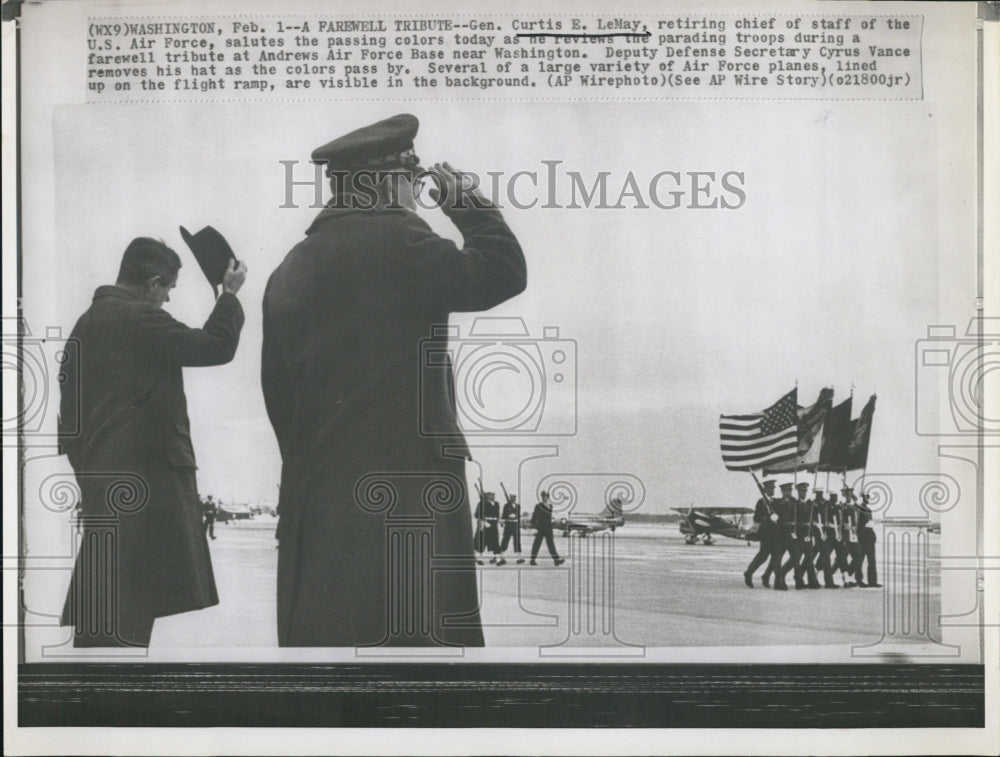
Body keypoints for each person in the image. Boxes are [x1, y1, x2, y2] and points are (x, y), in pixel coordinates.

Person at [261, 114, 525, 646]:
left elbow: (278, 398)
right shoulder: (400, 240)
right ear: (389, 180)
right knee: (417, 670)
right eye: (415, 178)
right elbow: (503, 270)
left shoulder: (289, 268)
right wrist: (468, 203)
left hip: (321, 503)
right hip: (409, 500)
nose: (417, 193)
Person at [59, 237, 247, 646]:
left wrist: (93, 476)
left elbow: (69, 426)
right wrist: (228, 296)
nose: (166, 301)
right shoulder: (139, 317)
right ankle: (109, 705)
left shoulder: (85, 324)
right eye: (168, 291)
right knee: (127, 618)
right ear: (153, 282)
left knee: (105, 612)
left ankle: (93, 702)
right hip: (144, 495)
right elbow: (216, 346)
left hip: (104, 489)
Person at [743, 479, 777, 588]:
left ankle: (766, 576)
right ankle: (749, 572)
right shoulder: (761, 502)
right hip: (766, 533)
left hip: (775, 533)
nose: (773, 490)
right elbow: (756, 517)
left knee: (776, 557)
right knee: (763, 556)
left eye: (773, 488)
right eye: (771, 488)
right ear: (765, 489)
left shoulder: (776, 501)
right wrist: (767, 517)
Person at [763, 482, 794, 590]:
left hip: (792, 534)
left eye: (790, 490)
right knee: (777, 558)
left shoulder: (795, 502)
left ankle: (768, 575)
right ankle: (778, 581)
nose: (788, 493)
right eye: (786, 491)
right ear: (782, 492)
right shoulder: (777, 502)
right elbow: (775, 517)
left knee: (795, 557)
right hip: (780, 534)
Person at [529, 491, 565, 566]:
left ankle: (556, 560)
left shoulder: (550, 506)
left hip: (548, 528)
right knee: (537, 544)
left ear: (548, 497)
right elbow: (534, 518)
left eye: (545, 496)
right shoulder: (538, 506)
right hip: (541, 528)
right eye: (542, 496)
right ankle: (532, 559)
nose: (543, 498)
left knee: (551, 544)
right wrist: (535, 527)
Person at [856, 494, 881, 587]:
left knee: (872, 560)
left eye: (868, 498)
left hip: (869, 537)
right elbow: (858, 524)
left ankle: (872, 581)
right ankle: (859, 580)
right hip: (862, 537)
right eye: (866, 497)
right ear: (862, 498)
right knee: (860, 560)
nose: (868, 499)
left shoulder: (868, 510)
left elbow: (870, 523)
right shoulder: (859, 509)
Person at [498, 491, 524, 565]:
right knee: (505, 540)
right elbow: (503, 516)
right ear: (510, 497)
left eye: (515, 496)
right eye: (512, 496)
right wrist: (508, 517)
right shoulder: (506, 506)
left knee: (517, 541)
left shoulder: (518, 506)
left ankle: (519, 557)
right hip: (509, 524)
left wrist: (516, 520)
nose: (514, 498)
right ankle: (501, 556)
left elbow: (518, 516)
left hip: (515, 525)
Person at [477, 491, 502, 565]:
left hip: (494, 524)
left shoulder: (497, 504)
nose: (492, 496)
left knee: (495, 542)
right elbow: (478, 514)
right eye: (491, 494)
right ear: (487, 495)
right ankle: (479, 559)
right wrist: (484, 522)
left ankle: (498, 560)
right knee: (483, 542)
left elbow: (497, 514)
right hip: (486, 524)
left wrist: (497, 520)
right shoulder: (483, 503)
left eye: (493, 494)